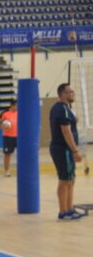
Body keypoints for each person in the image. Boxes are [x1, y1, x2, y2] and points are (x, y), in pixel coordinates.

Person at [49, 83, 84, 220]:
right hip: (63, 149)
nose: (72, 94)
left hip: (65, 149)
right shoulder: (62, 108)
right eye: (70, 92)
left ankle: (69, 209)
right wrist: (75, 150)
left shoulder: (64, 109)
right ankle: (63, 212)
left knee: (71, 179)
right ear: (63, 94)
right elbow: (66, 130)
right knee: (64, 180)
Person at [0, 99, 18, 177]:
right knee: (8, 154)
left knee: (22, 154)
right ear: (12, 105)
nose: (17, 107)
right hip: (8, 137)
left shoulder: (19, 113)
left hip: (18, 136)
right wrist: (3, 126)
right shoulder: (4, 113)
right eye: (16, 105)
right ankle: (7, 171)